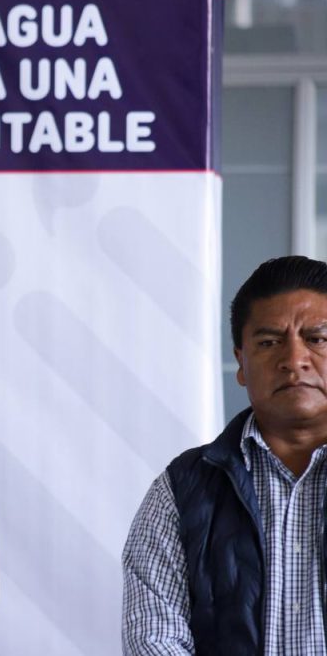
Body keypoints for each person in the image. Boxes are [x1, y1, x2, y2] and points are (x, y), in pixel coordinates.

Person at [122, 255, 327, 655]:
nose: (294, 359)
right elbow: (153, 639)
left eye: (317, 338)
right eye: (269, 342)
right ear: (241, 364)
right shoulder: (182, 489)